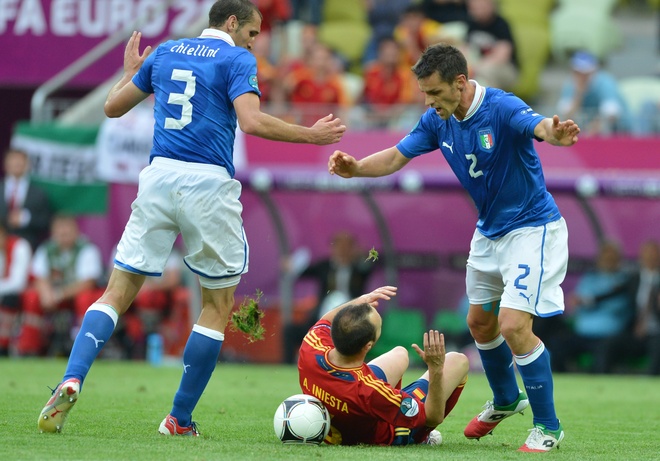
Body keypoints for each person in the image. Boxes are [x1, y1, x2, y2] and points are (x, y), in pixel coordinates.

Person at [37, 0, 345, 435]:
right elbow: (252, 122)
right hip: (207, 183)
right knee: (218, 305)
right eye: (253, 33)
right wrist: (310, 135)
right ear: (233, 23)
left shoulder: (164, 51)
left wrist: (129, 72)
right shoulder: (237, 58)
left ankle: (72, 376)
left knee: (117, 290)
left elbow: (111, 108)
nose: (254, 42)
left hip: (159, 175)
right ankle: (178, 419)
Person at [328, 43, 581, 452]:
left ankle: (548, 427)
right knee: (480, 323)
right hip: (489, 232)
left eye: (434, 93)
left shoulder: (501, 107)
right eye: (425, 94)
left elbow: (539, 127)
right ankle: (504, 399)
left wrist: (556, 133)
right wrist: (356, 168)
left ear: (460, 83)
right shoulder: (437, 120)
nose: (428, 102)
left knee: (514, 326)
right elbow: (394, 157)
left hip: (532, 230)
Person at [297, 285, 469, 446]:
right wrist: (436, 369)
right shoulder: (370, 391)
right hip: (381, 434)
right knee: (458, 361)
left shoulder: (312, 346)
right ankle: (421, 436)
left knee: (400, 354)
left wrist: (362, 300)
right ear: (368, 346)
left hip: (342, 418)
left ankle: (392, 409)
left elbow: (327, 320)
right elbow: (432, 416)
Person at [16, 214, 103, 357]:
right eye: (59, 232)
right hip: (53, 298)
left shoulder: (87, 249)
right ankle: (30, 348)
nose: (63, 235)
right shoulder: (46, 249)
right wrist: (46, 293)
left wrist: (59, 294)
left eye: (67, 232)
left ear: (76, 231)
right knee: (32, 296)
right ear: (53, 233)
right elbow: (38, 276)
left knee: (86, 298)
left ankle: (86, 348)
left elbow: (88, 282)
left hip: (75, 297)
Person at [283, 231, 374, 364]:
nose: (342, 251)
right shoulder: (325, 266)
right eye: (339, 247)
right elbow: (303, 272)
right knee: (289, 330)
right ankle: (287, 366)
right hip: (323, 315)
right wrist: (291, 266)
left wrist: (363, 255)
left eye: (346, 247)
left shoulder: (359, 269)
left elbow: (372, 264)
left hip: (351, 318)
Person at [549, 240, 635, 373]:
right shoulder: (589, 279)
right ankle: (563, 381)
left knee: (604, 352)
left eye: (612, 258)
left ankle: (600, 386)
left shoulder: (625, 282)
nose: (608, 260)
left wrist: (590, 303)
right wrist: (588, 303)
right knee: (558, 344)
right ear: (599, 259)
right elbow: (576, 303)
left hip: (608, 335)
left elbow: (618, 307)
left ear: (618, 260)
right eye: (605, 257)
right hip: (582, 333)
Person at [557, 50, 631, 136]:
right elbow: (566, 116)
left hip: (621, 132)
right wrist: (579, 94)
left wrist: (595, 126)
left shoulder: (606, 83)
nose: (581, 77)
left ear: (593, 71)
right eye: (577, 73)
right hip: (588, 133)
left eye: (585, 73)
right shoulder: (570, 85)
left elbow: (612, 114)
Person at [0, 147, 52, 250]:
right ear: (5, 164)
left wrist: (26, 218)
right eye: (13, 160)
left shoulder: (39, 193)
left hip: (28, 246)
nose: (16, 164)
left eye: (20, 161)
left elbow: (46, 221)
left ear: (28, 165)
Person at [464, 0, 518, 92]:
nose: (478, 10)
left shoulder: (501, 24)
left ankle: (491, 102)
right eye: (474, 8)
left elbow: (503, 55)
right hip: (479, 66)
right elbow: (465, 49)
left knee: (487, 71)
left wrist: (476, 67)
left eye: (482, 6)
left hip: (505, 68)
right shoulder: (472, 25)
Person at [0, 219, 32, 356]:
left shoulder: (20, 246)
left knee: (9, 299)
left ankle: (3, 347)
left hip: (21, 294)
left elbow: (18, 283)